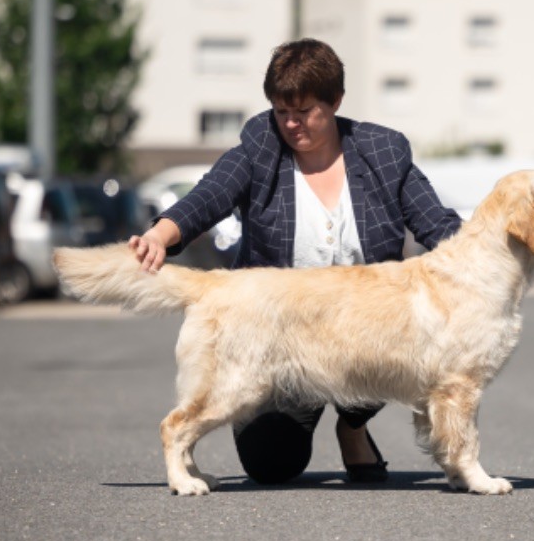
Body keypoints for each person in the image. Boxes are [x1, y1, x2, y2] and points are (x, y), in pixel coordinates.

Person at [129, 38, 463, 484]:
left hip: (365, 330)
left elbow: (436, 225)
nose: (291, 123)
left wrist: (495, 252)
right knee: (271, 462)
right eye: (281, 111)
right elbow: (210, 196)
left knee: (408, 330)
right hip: (280, 333)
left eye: (304, 111)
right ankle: (300, 420)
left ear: (335, 101)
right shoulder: (260, 147)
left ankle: (353, 425)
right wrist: (160, 234)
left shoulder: (383, 152)